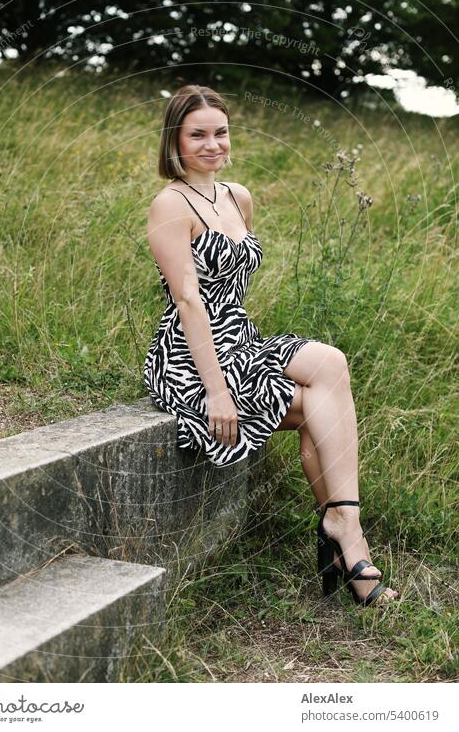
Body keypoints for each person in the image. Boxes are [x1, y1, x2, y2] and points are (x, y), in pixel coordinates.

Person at [144, 84, 398, 607]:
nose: (213, 144)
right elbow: (190, 303)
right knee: (315, 407)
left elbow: (235, 283)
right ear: (175, 140)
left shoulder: (239, 197)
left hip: (241, 337)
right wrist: (217, 393)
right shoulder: (169, 205)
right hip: (190, 358)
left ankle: (341, 519)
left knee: (330, 364)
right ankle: (351, 544)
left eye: (221, 132)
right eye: (198, 135)